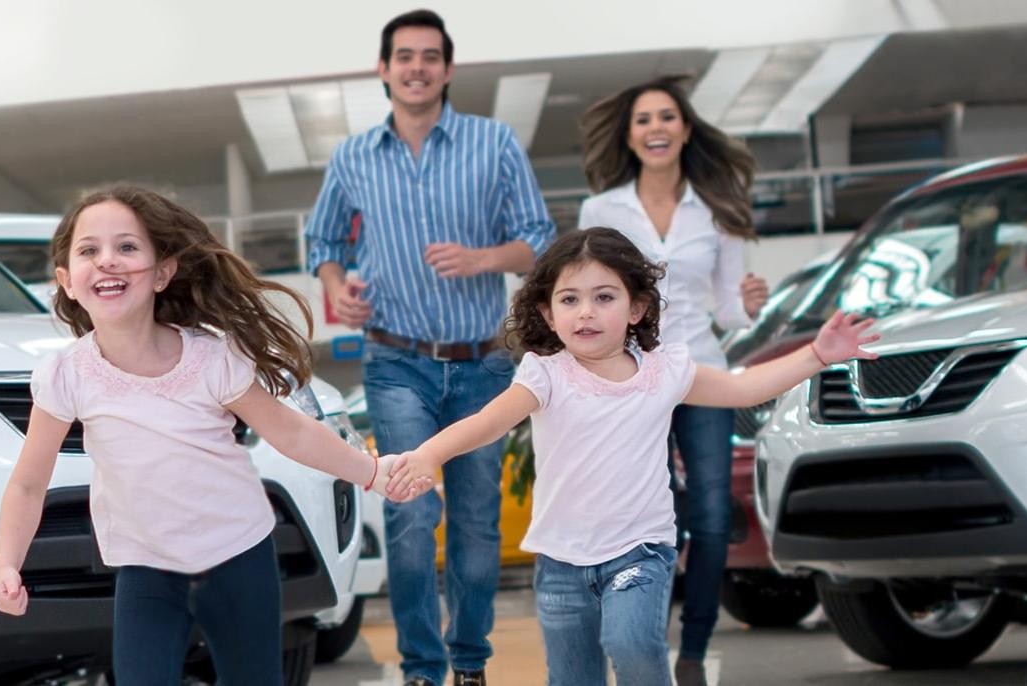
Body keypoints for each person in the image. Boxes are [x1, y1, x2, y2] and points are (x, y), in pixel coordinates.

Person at [385, 228, 877, 686]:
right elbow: (488, 422)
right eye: (569, 300)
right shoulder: (545, 375)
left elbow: (744, 389)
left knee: (630, 639)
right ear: (549, 314)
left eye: (604, 298)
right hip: (561, 561)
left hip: (640, 549)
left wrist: (817, 354)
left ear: (636, 308)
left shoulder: (665, 371)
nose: (586, 313)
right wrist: (430, 454)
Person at [0, 186, 406, 685]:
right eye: (89, 251)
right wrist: (8, 564)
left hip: (238, 556)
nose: (108, 262)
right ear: (66, 282)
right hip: (145, 570)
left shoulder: (210, 358)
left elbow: (290, 431)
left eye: (127, 247)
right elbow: (29, 483)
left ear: (163, 272)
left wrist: (373, 473)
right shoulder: (66, 374)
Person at [304, 9, 556, 685]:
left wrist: (482, 258)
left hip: (483, 364)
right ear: (384, 69)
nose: (416, 67)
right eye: (404, 56)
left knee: (475, 525)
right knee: (411, 513)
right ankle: (422, 667)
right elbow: (322, 243)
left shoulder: (493, 142)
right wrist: (337, 287)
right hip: (394, 362)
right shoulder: (353, 157)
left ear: (447, 68)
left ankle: (468, 662)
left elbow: (538, 238)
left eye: (429, 56)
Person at [577, 74, 770, 686]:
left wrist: (750, 302)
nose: (655, 128)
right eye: (643, 120)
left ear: (685, 130)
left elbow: (731, 312)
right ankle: (644, 638)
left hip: (702, 369)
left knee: (712, 517)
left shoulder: (718, 207)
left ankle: (694, 647)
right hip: (632, 377)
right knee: (648, 514)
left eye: (666, 117)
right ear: (629, 137)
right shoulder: (601, 210)